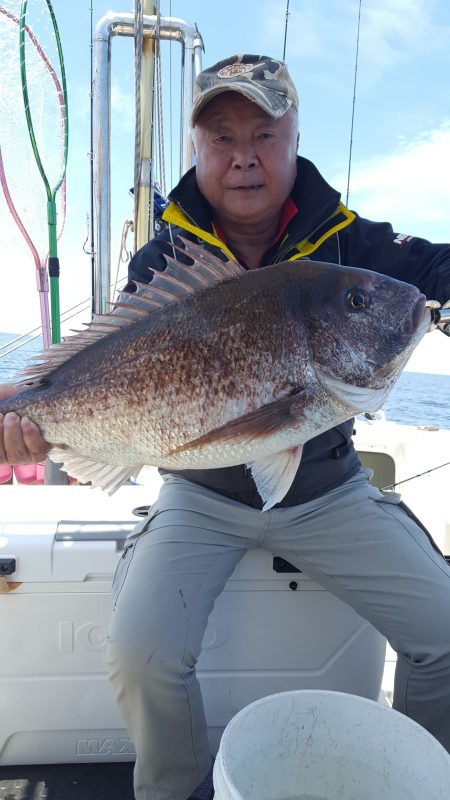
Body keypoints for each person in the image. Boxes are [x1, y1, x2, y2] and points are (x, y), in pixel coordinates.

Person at [1, 53, 450, 800]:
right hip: (198, 495)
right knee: (139, 654)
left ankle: (419, 777)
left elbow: (429, 273)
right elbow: (113, 383)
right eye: (222, 139)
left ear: (294, 139)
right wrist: (31, 419)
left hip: (326, 489)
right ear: (198, 151)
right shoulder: (161, 260)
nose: (244, 156)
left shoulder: (346, 243)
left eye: (264, 134)